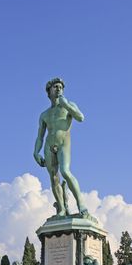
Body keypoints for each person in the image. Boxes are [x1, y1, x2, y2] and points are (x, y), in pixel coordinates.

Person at [34, 78, 87, 217]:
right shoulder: (44, 114)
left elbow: (81, 118)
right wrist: (35, 152)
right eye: (55, 87)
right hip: (48, 145)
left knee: (65, 171)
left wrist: (67, 106)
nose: (58, 89)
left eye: (61, 87)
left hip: (64, 143)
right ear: (49, 91)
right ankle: (62, 208)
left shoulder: (68, 105)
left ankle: (81, 205)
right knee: (54, 178)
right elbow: (40, 136)